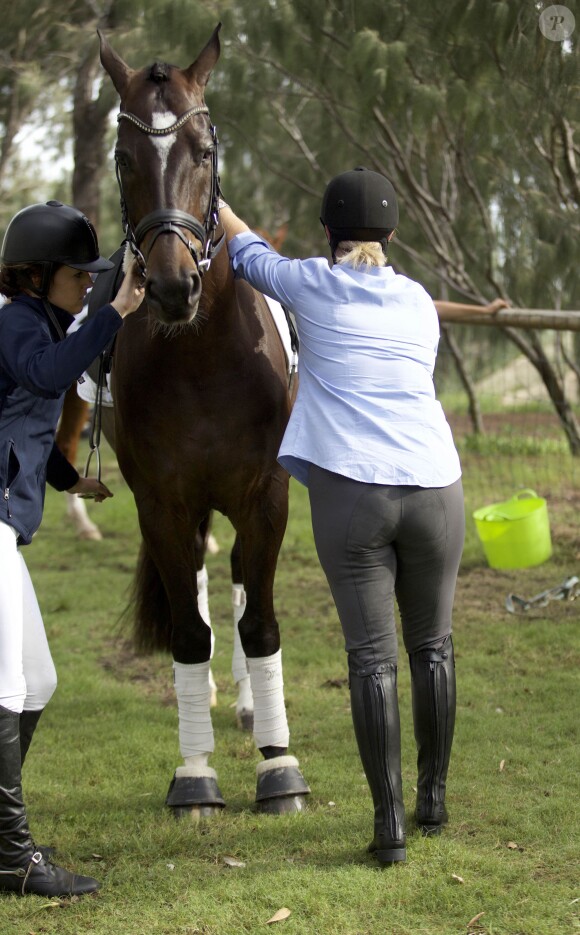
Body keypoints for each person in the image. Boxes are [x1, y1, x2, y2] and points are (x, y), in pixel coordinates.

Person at [218, 167, 499, 866]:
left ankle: (390, 826)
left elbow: (248, 254)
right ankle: (433, 801)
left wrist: (214, 195)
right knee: (432, 644)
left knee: (372, 658)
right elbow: (429, 312)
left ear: (328, 234)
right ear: (393, 234)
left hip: (355, 492)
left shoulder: (312, 283)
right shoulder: (416, 302)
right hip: (439, 483)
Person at [0, 200, 144, 897]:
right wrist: (113, 313)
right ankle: (11, 857)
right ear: (36, 275)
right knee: (5, 686)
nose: (86, 284)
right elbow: (44, 377)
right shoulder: (18, 324)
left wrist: (68, 477)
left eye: (93, 275)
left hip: (6, 528)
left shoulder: (40, 322)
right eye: (76, 273)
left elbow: (20, 416)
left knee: (40, 682)